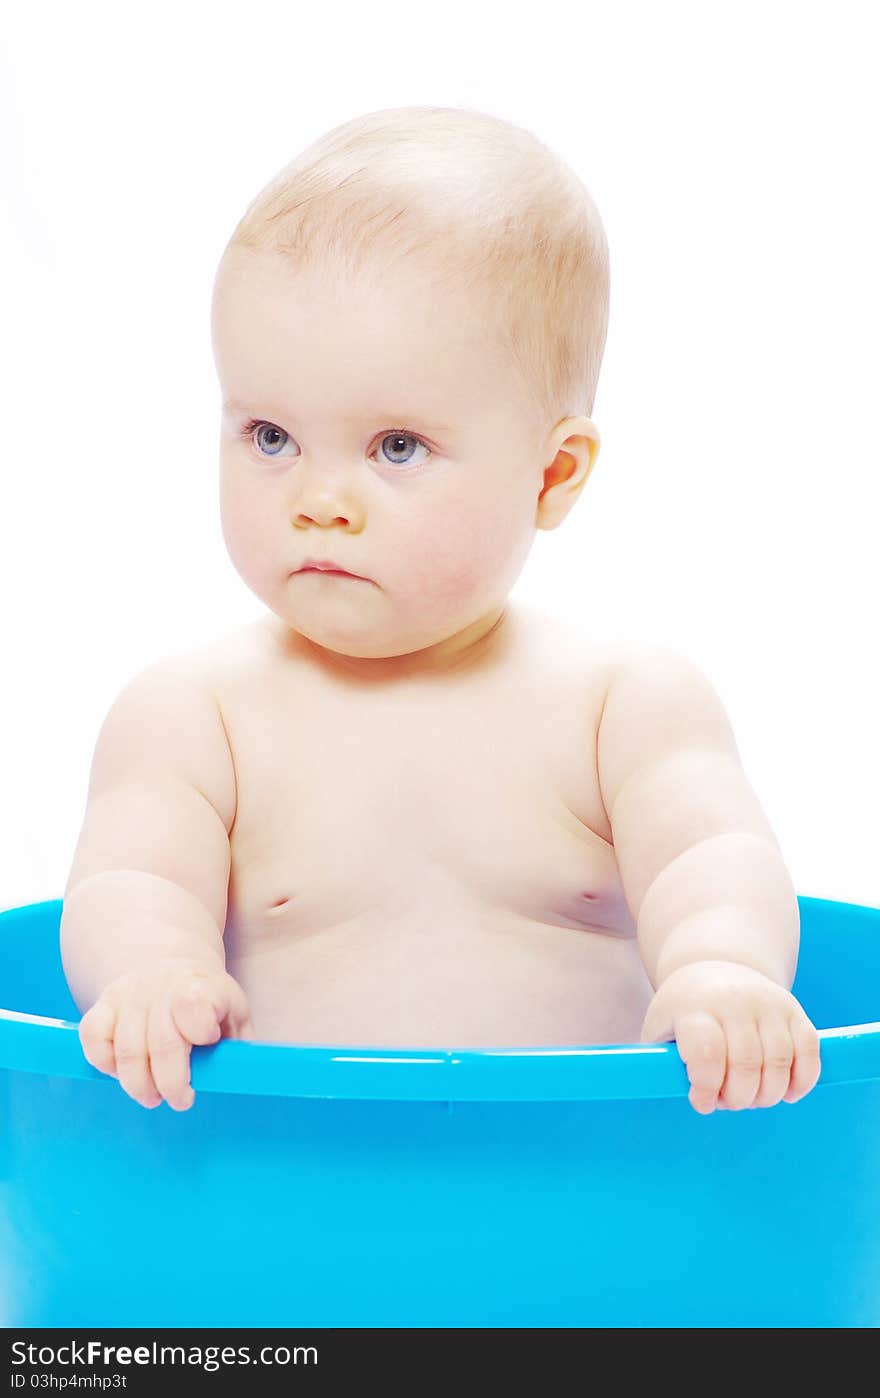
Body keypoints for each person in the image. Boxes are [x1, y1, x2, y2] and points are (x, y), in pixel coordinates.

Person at [59, 106, 821, 1117]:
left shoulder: (619, 704)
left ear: (551, 473)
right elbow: (128, 884)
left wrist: (722, 971)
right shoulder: (195, 716)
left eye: (396, 447)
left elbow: (709, 856)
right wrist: (148, 977)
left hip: (591, 1198)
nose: (317, 499)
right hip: (274, 1193)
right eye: (271, 435)